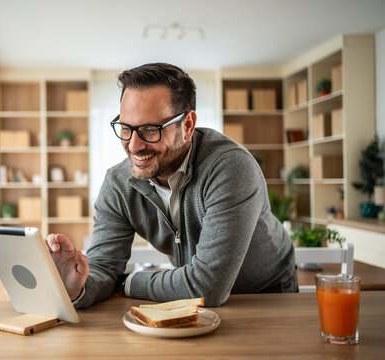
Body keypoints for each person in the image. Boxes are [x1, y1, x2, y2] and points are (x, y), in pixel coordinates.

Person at [46, 63, 297, 308]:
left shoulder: (230, 168)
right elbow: (103, 268)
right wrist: (78, 287)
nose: (133, 146)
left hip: (267, 298)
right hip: (193, 304)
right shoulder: (117, 184)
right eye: (125, 128)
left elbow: (207, 286)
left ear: (187, 125)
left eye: (150, 129)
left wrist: (125, 283)